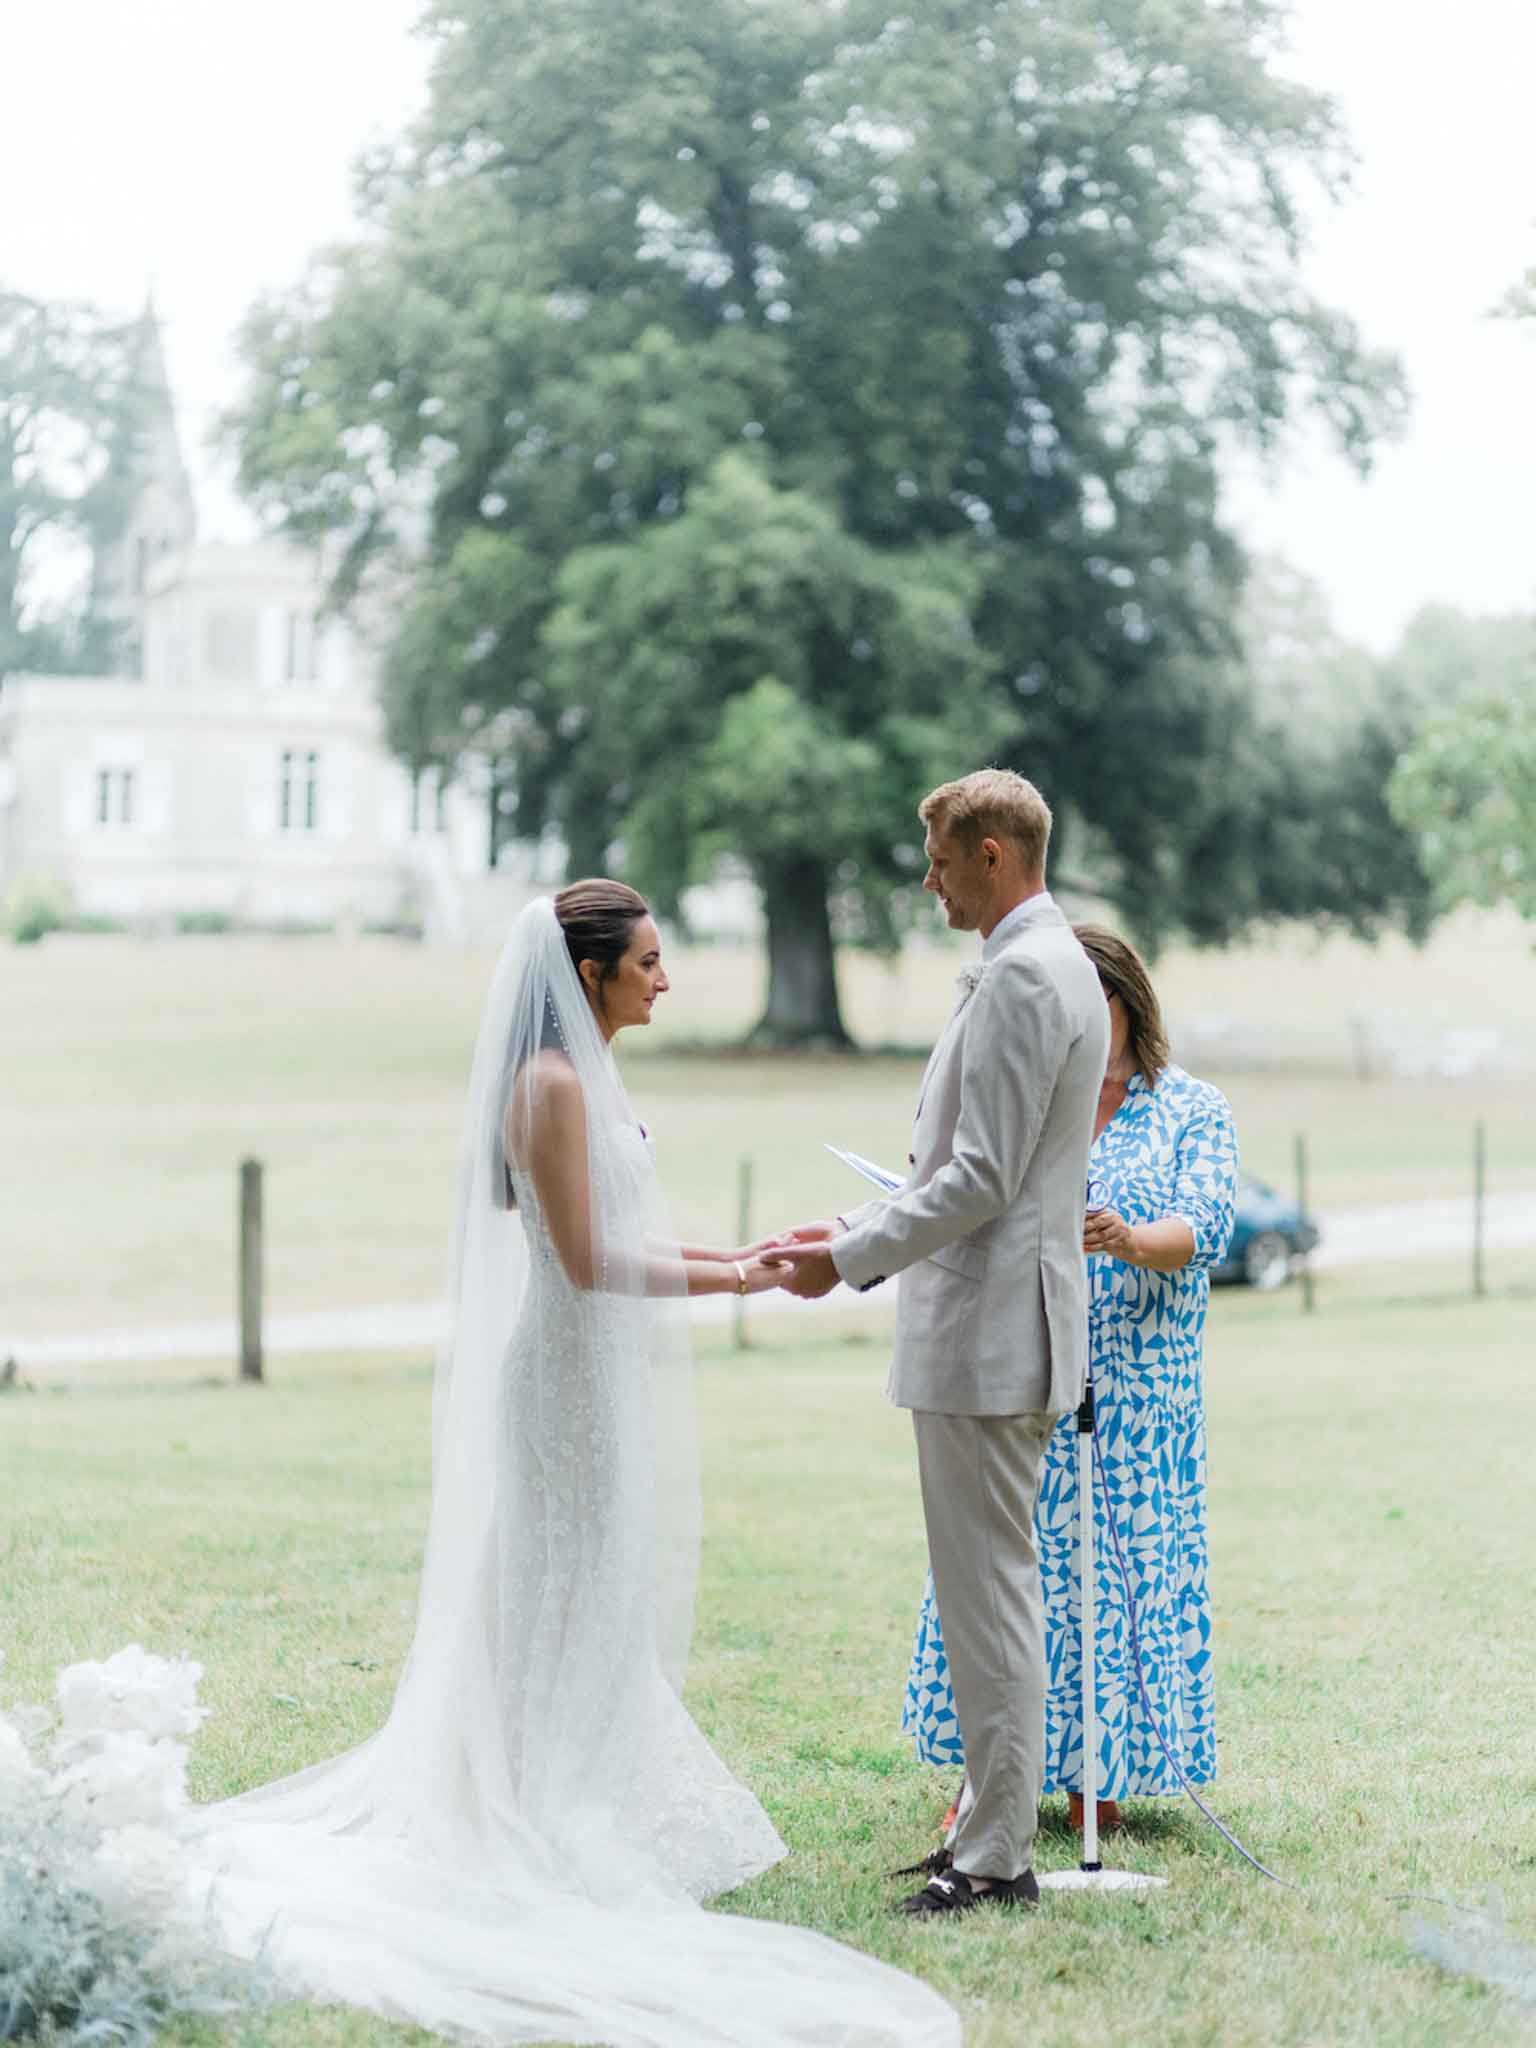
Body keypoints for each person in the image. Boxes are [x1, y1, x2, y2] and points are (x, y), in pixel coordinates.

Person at [182, 882, 959, 2048]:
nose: (663, 977)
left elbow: (628, 1228)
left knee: (595, 1585)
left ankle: (582, 1778)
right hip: (561, 1383)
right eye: (645, 959)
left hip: (602, 1380)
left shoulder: (591, 1075)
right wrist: (738, 1279)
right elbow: (590, 1260)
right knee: (559, 1583)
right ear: (586, 973)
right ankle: (540, 1804)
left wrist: (744, 1250)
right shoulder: (546, 1086)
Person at [774, 770, 1108, 1918]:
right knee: (988, 1590)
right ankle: (985, 1827)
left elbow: (981, 1175)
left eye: (939, 859)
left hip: (990, 1330)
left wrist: (848, 1252)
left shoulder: (1024, 972)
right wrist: (856, 1227)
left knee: (989, 1596)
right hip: (1007, 1319)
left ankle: (998, 1854)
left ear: (995, 855)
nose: (927, 881)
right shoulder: (1054, 960)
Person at [902, 925, 1238, 1836]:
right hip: (1025, 1363)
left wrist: (1126, 1236)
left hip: (1138, 1395)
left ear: (1123, 1004)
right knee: (1005, 1569)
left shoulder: (1189, 1107)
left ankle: (1102, 1776)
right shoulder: (1031, 1101)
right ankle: (988, 1777)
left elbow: (1205, 1228)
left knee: (1112, 1580)